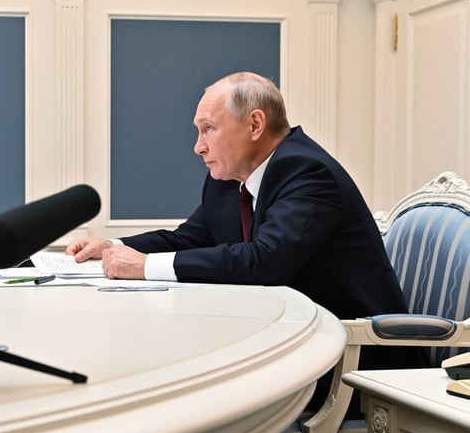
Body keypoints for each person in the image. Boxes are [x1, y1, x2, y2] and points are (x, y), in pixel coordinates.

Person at [66, 71, 425, 409]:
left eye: (208, 129)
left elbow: (267, 261)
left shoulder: (308, 172)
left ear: (255, 124)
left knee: (178, 388)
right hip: (290, 337)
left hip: (350, 359)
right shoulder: (228, 178)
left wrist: (144, 267)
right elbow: (191, 237)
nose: (198, 147)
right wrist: (114, 248)